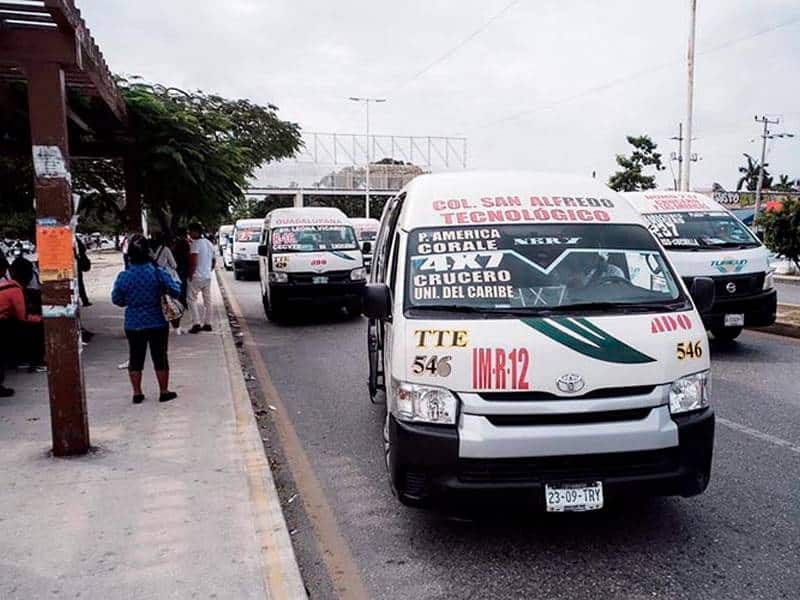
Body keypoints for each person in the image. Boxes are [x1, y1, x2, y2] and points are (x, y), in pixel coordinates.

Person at [112, 234, 181, 404]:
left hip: (133, 323)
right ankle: (163, 391)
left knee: (135, 357)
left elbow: (117, 300)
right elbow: (175, 290)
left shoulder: (124, 277)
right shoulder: (158, 273)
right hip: (157, 321)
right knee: (160, 357)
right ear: (148, 253)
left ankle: (137, 393)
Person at [0, 255, 44, 397]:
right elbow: (23, 317)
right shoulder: (15, 290)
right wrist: (41, 319)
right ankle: (34, 360)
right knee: (35, 327)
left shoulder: (5, 284)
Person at [150, 233, 184, 335]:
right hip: (168, 278)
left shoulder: (150, 251)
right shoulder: (166, 249)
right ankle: (176, 328)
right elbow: (174, 265)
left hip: (155, 278)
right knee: (173, 304)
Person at [186, 222, 215, 334]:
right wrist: (207, 270)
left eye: (190, 231)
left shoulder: (195, 244)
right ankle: (208, 323)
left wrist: (190, 275)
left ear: (196, 232)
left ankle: (196, 323)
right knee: (207, 300)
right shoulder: (209, 243)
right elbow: (213, 261)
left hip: (196, 276)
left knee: (191, 299)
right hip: (207, 276)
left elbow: (193, 261)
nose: (189, 234)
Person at [75, 236, 92, 307]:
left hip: (72, 263)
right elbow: (83, 248)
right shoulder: (74, 238)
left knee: (79, 283)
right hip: (76, 263)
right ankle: (84, 300)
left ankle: (84, 300)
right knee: (79, 282)